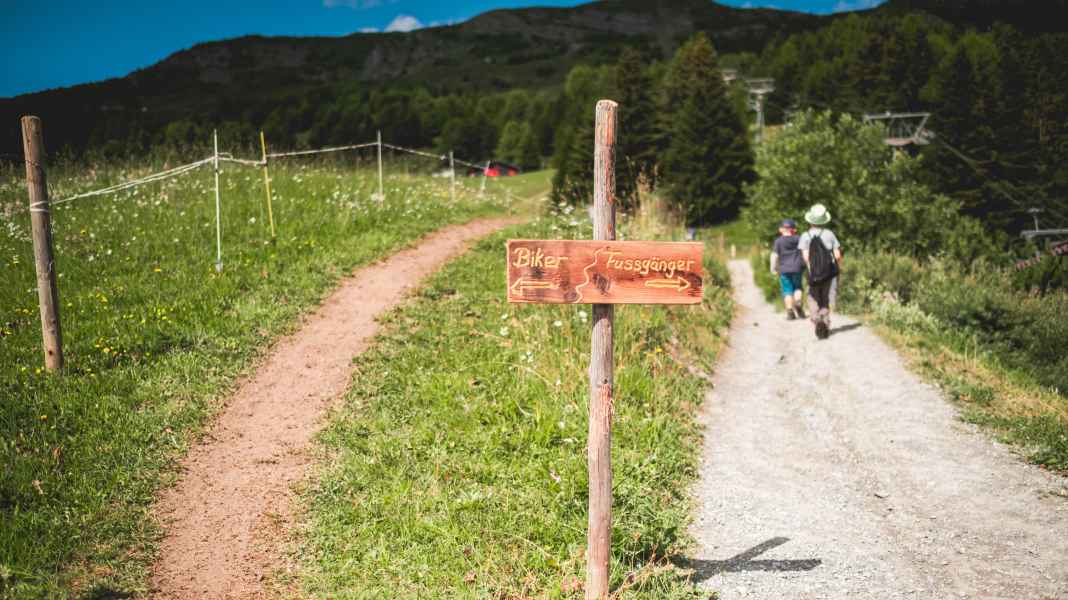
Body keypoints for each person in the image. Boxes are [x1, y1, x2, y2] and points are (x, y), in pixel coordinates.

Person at [799, 204, 843, 339]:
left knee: (812, 298)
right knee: (824, 298)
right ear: (824, 220)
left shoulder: (805, 235)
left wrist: (811, 268)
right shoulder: (830, 234)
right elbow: (837, 255)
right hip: (828, 274)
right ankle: (825, 321)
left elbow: (806, 257)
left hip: (812, 274)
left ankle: (816, 319)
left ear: (810, 220)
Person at [769, 219, 806, 320]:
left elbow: (774, 256)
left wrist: (773, 268)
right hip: (797, 268)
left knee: (787, 291)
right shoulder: (798, 239)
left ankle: (790, 312)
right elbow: (805, 251)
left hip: (784, 270)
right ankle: (798, 302)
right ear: (794, 230)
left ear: (781, 230)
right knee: (798, 287)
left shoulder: (778, 241)